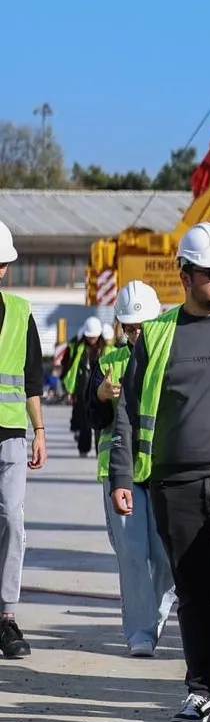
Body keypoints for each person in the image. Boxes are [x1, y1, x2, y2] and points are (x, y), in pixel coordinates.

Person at [110, 221, 210, 722]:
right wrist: (121, 476)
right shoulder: (156, 335)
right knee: (194, 592)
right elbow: (128, 411)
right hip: (175, 483)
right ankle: (203, 691)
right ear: (185, 276)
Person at [88, 281, 177, 657]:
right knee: (133, 552)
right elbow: (92, 419)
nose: (136, 334)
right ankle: (141, 631)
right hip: (120, 471)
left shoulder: (172, 357)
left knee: (165, 555)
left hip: (163, 469)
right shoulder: (109, 362)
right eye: (130, 328)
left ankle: (153, 617)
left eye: (142, 327)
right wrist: (100, 396)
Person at [0, 218, 47, 659]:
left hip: (11, 435)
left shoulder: (19, 312)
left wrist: (40, 431)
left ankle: (6, 616)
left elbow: (32, 380)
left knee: (13, 521)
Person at [69, 316, 106, 458]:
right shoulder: (80, 349)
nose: (92, 340)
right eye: (89, 337)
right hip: (83, 390)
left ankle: (100, 450)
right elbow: (73, 370)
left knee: (99, 421)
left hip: (99, 390)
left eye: (94, 337)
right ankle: (83, 448)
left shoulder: (107, 349)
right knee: (84, 421)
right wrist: (71, 390)